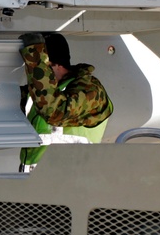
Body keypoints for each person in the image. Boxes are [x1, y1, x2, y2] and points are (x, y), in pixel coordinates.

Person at [17, 31, 114, 166]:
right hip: (38, 176)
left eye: (41, 68)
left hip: (73, 174)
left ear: (56, 65)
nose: (34, 74)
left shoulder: (90, 89)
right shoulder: (39, 93)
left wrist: (35, 58)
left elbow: (55, 112)